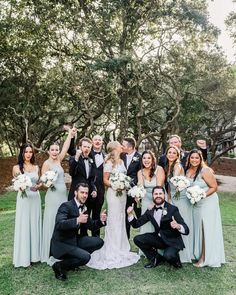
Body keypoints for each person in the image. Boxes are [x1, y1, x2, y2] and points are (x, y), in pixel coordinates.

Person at [87, 141, 140, 269]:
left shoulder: (121, 162)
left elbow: (125, 177)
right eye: (120, 145)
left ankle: (122, 246)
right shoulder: (109, 162)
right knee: (114, 220)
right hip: (113, 194)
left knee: (121, 219)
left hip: (122, 195)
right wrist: (116, 185)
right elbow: (105, 180)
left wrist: (124, 185)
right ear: (115, 148)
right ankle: (113, 248)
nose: (122, 146)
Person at [50, 183, 106, 281]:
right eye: (82, 192)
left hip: (74, 239)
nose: (84, 195)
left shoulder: (84, 207)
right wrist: (77, 220)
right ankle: (60, 266)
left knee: (99, 242)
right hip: (62, 243)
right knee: (86, 257)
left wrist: (101, 221)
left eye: (86, 193)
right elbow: (59, 224)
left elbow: (92, 226)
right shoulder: (65, 206)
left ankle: (73, 260)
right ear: (75, 193)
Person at [127, 186, 189, 269]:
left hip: (172, 241)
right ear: (152, 196)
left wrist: (178, 226)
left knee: (168, 256)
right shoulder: (150, 210)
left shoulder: (172, 209)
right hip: (159, 239)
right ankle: (155, 258)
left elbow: (186, 230)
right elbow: (136, 224)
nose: (158, 196)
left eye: (160, 193)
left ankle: (176, 261)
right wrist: (130, 214)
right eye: (156, 194)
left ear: (164, 195)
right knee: (138, 239)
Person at [185, 149, 225, 267]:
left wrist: (201, 195)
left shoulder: (205, 170)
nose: (194, 160)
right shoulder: (187, 171)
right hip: (196, 203)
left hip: (208, 202)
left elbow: (214, 187)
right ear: (189, 159)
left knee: (205, 228)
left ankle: (204, 258)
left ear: (201, 159)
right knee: (197, 227)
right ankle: (197, 253)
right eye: (192, 158)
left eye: (197, 158)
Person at [41, 128, 74, 264]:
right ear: (48, 151)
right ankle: (50, 251)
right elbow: (43, 182)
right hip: (52, 196)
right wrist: (49, 182)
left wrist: (70, 135)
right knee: (52, 221)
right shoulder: (46, 164)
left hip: (62, 196)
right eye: (52, 150)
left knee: (62, 220)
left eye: (56, 149)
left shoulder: (59, 160)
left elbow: (66, 146)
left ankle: (62, 249)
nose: (55, 152)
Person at [12, 143, 42, 267]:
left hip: (35, 198)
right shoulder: (16, 167)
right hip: (24, 199)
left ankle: (35, 256)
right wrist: (21, 187)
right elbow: (16, 184)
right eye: (26, 152)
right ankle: (24, 257)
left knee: (34, 224)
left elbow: (39, 182)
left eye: (30, 152)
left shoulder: (36, 167)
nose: (28, 154)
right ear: (22, 153)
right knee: (24, 225)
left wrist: (39, 186)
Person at [165, 145, 193, 263]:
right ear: (166, 154)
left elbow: (175, 181)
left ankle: (185, 254)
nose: (171, 154)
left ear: (177, 155)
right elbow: (170, 187)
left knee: (181, 223)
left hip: (181, 199)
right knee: (174, 224)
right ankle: (175, 249)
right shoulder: (169, 167)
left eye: (173, 153)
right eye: (169, 152)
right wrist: (170, 200)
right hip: (174, 199)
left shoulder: (177, 166)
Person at [136, 150, 165, 235]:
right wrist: (137, 195)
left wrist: (153, 202)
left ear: (153, 160)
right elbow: (140, 187)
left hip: (159, 197)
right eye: (144, 158)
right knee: (146, 221)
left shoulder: (159, 169)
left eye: (149, 158)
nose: (146, 160)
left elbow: (159, 187)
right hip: (146, 198)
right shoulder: (140, 172)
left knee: (159, 220)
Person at [121, 137, 141, 238]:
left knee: (140, 215)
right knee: (125, 216)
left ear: (130, 147)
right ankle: (126, 239)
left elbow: (141, 175)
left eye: (123, 145)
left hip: (136, 193)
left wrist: (133, 186)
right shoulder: (121, 156)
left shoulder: (140, 157)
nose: (121, 147)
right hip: (123, 192)